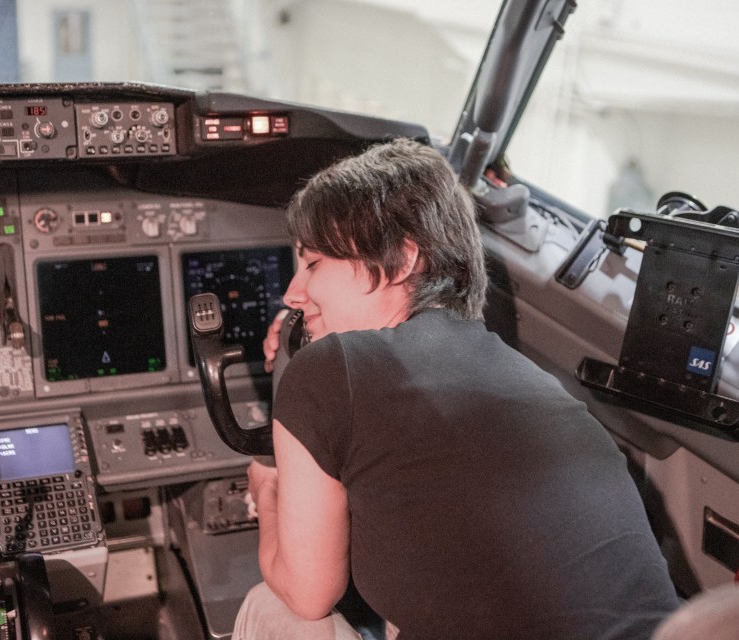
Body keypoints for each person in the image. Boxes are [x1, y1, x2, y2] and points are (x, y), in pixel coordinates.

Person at [233, 138, 679, 639]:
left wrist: (266, 490)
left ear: (402, 261)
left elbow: (307, 591)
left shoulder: (328, 370)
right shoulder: (541, 387)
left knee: (272, 608)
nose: (293, 294)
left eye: (313, 264)